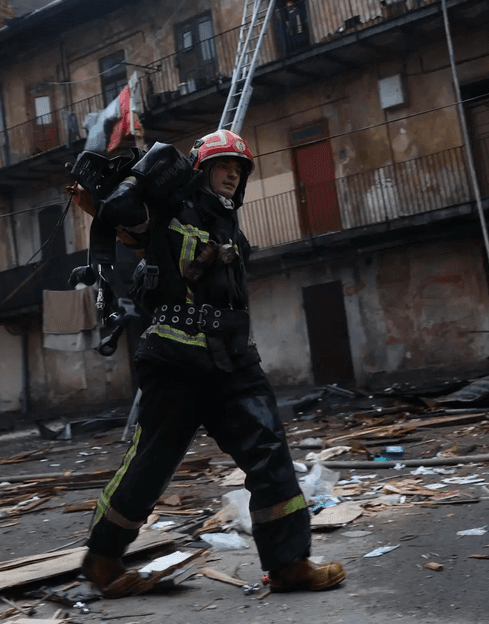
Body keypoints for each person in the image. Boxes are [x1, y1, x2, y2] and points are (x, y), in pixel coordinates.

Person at [80, 128, 345, 598]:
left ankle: (288, 565)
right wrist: (136, 180)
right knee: (151, 463)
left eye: (239, 168)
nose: (232, 173)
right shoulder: (166, 210)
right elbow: (122, 215)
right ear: (201, 170)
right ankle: (102, 561)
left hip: (233, 360)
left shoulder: (231, 230)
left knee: (270, 452)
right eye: (223, 165)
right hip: (173, 359)